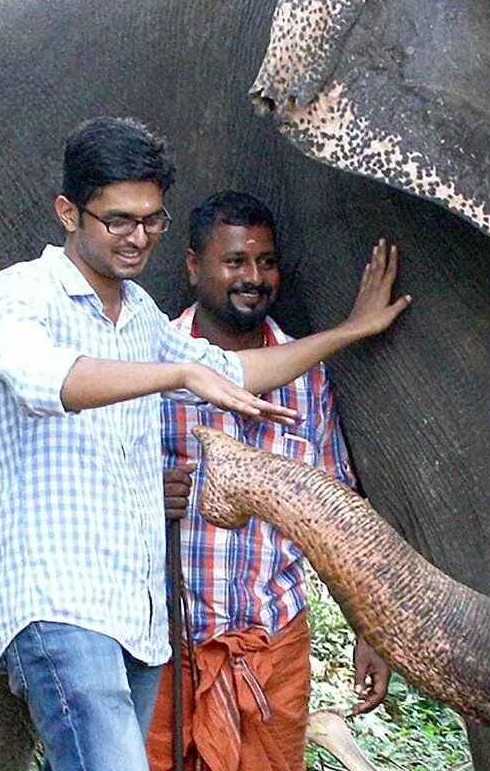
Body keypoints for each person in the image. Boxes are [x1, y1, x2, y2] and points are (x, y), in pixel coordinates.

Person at [0, 118, 410, 771]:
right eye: (118, 220)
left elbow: (233, 372)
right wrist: (179, 373)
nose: (136, 237)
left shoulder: (140, 316)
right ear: (68, 212)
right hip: (61, 607)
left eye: (150, 220)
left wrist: (349, 331)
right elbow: (49, 381)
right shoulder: (20, 294)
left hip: (140, 618)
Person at [148, 192, 391, 771]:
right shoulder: (149, 359)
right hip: (160, 644)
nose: (253, 278)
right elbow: (95, 485)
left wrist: (370, 628)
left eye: (265, 262)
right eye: (234, 261)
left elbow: (336, 513)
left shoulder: (308, 377)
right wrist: (147, 495)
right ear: (192, 266)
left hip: (271, 649)